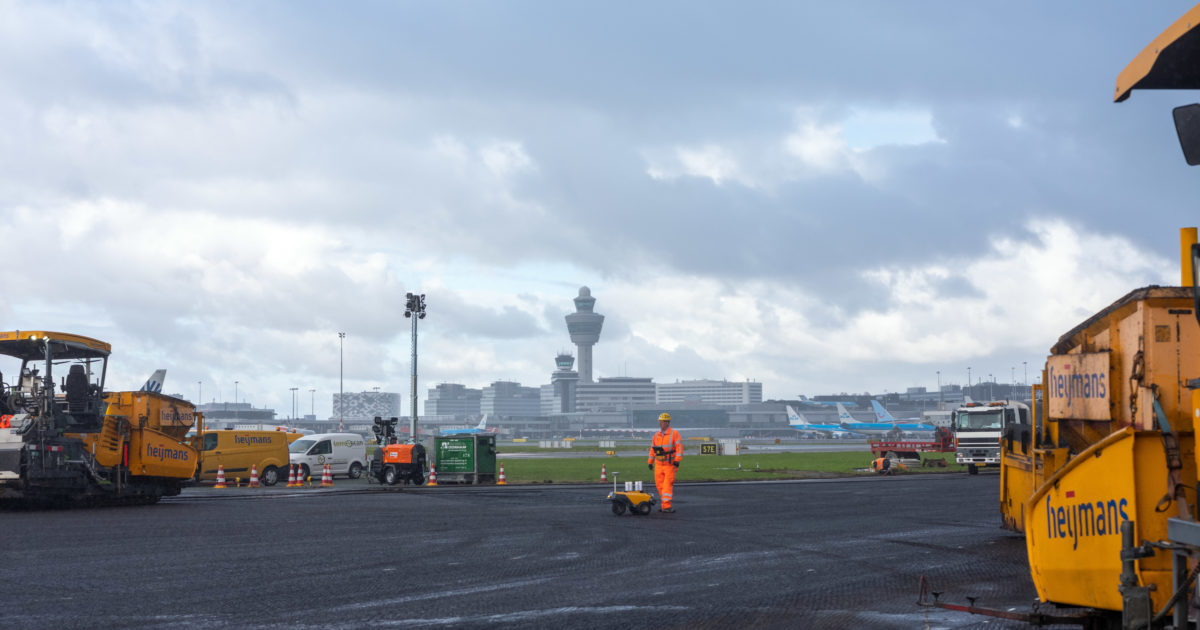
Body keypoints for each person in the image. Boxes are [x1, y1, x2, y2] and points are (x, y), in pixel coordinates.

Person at [648, 412, 682, 512]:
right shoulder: (656, 435)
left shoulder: (674, 434)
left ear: (667, 422)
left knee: (667, 485)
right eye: (660, 421)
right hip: (658, 464)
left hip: (669, 465)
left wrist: (677, 460)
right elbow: (652, 449)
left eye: (662, 422)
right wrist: (650, 462)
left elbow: (679, 448)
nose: (660, 424)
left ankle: (667, 506)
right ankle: (664, 506)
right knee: (660, 485)